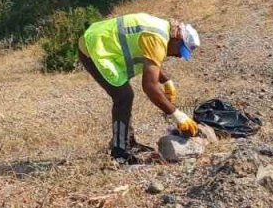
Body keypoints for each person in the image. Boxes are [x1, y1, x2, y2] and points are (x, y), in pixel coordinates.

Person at [78, 13, 201, 163]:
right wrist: (177, 114)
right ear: (176, 38)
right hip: (95, 48)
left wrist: (166, 81)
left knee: (125, 96)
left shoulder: (162, 31)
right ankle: (119, 152)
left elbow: (149, 60)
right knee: (123, 96)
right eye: (180, 50)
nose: (178, 56)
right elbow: (149, 86)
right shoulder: (157, 38)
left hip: (101, 43)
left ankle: (128, 142)